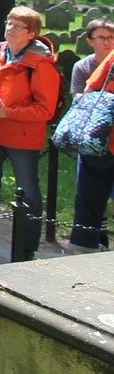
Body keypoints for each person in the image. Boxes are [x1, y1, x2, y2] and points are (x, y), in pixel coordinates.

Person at [0, 6, 60, 261]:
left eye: (17, 26)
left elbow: (45, 109)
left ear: (31, 34)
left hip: (22, 137)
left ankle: (26, 248)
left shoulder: (41, 64)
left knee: (28, 192)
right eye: (9, 23)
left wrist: (9, 112)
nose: (10, 29)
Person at [68, 19, 114, 252]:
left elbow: (87, 92)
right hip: (103, 144)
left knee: (88, 202)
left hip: (100, 139)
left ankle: (83, 252)